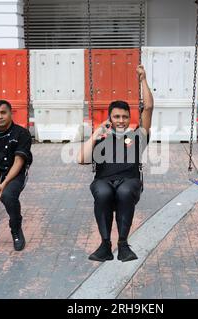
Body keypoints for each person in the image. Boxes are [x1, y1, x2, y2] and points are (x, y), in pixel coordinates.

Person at [77, 65, 154, 262]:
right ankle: (105, 245)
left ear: (130, 118)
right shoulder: (101, 138)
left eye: (125, 117)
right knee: (103, 193)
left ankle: (123, 244)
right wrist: (96, 133)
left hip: (129, 181)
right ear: (110, 118)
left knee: (124, 192)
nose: (121, 120)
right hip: (104, 180)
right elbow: (81, 159)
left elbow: (149, 107)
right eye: (117, 116)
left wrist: (143, 80)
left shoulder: (138, 136)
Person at [0, 99, 32, 251]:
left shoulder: (22, 134)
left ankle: (16, 229)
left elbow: (19, 161)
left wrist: (4, 185)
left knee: (8, 196)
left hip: (15, 172)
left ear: (10, 113)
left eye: (3, 112)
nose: (0, 116)